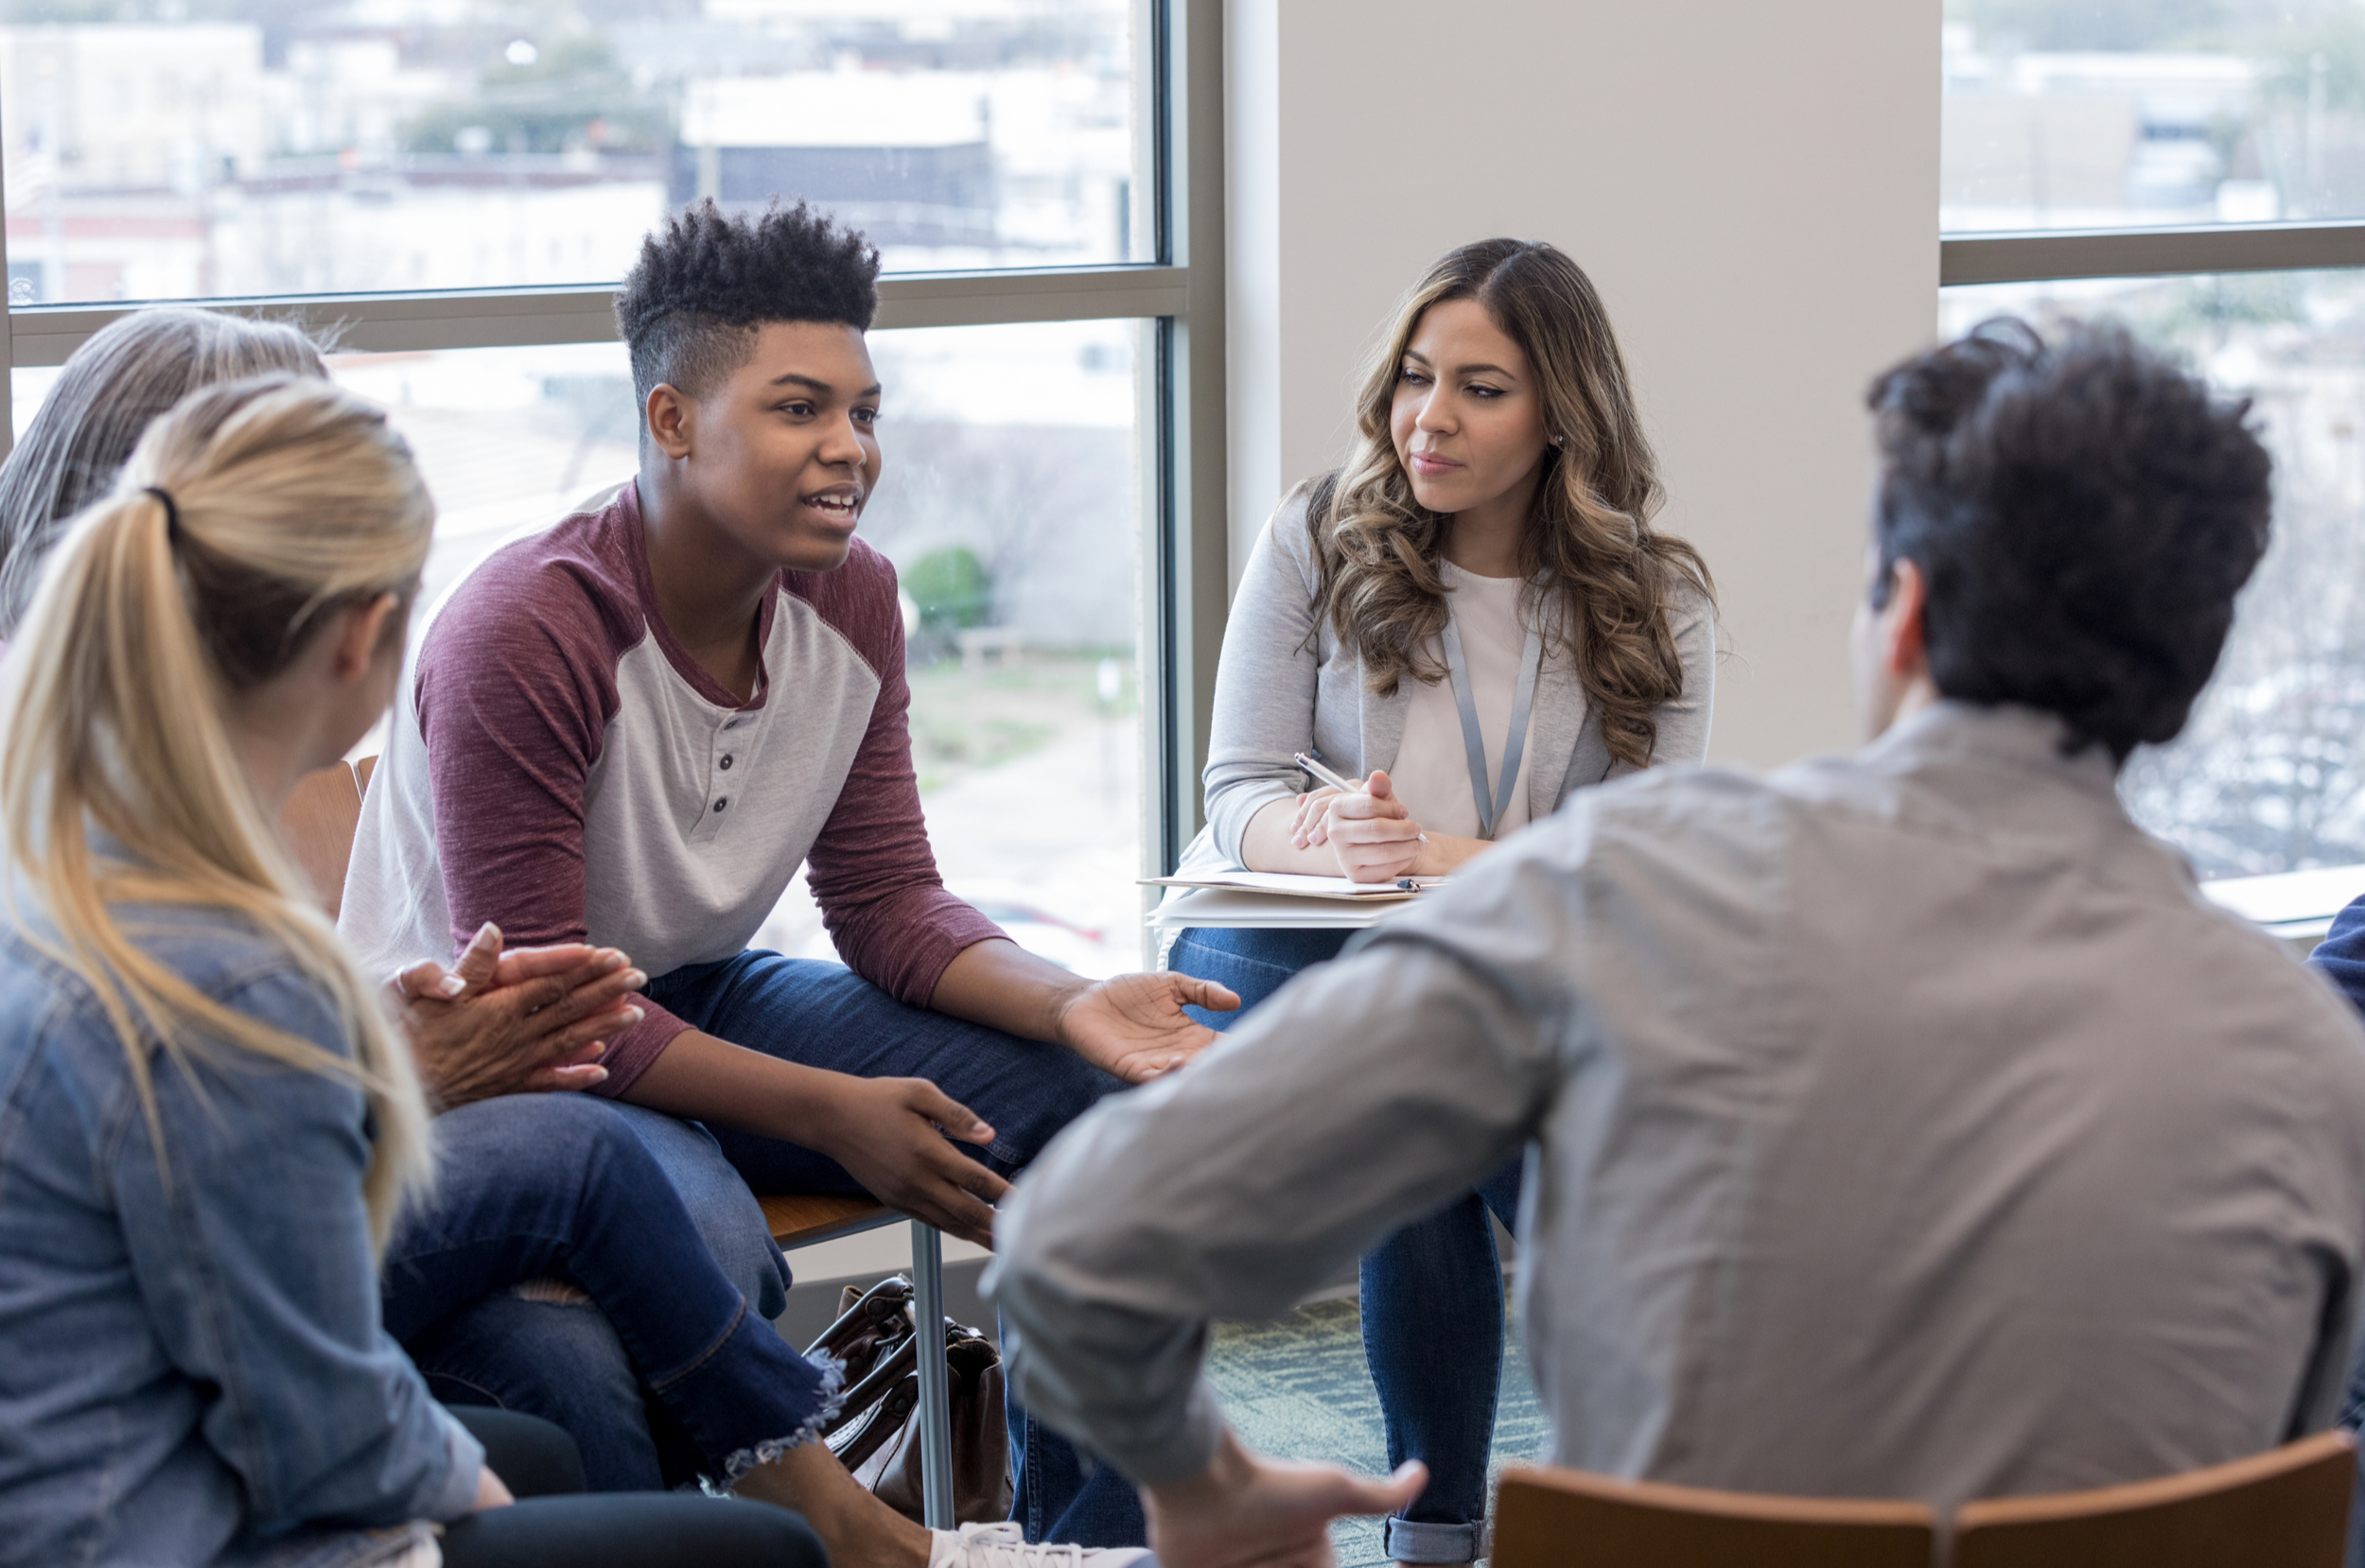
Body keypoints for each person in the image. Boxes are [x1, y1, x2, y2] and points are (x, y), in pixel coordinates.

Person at [990, 319, 2365, 1566]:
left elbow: (1072, 1254)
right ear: (2183, 684)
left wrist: (1209, 1477)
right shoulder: (2316, 1057)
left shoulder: (1621, 888)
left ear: (1907, 611)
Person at [338, 199, 1237, 1546]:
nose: (849, 449)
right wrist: (831, 1110)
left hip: (698, 990)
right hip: (499, 1062)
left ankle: (1080, 1541)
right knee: (702, 1247)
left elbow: (885, 901)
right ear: (672, 419)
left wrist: (1068, 1003)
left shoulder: (854, 599)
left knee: (1093, 1109)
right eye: (801, 408)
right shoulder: (527, 629)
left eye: (864, 411)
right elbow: (552, 1013)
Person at [0, 373, 824, 1567]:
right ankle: (827, 1521)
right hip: (159, 1520)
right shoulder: (226, 967)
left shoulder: (79, 852)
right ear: (361, 635)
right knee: (749, 1555)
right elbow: (312, 1434)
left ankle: (818, 1501)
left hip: (98, 1453)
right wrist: (466, 1497)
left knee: (552, 1402)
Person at [1165, 237, 1713, 1563]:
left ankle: (1450, 1535)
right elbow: (1235, 788)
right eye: (1417, 376)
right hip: (1294, 944)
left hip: (1502, 960)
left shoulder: (1656, 597)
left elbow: (1631, 856)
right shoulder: (1316, 532)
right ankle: (1555, 1513)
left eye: (1481, 387)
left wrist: (1448, 864)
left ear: (1561, 415)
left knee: (1439, 1095)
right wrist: (1322, 829)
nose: (1430, 417)